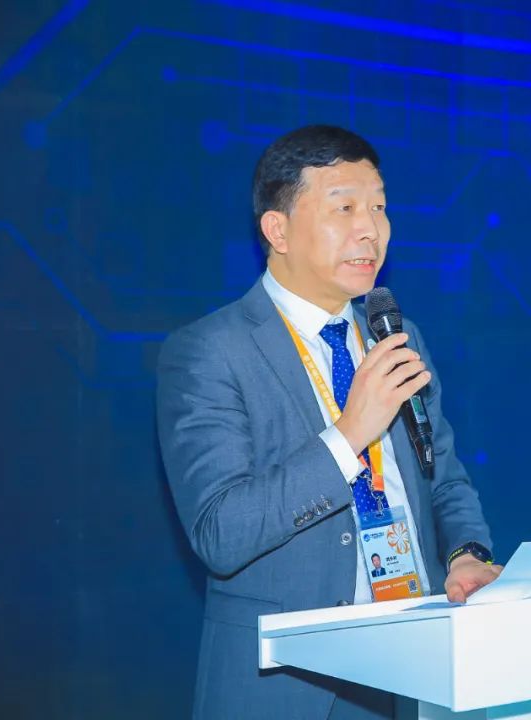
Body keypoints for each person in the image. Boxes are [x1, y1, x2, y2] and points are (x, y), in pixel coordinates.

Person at [157, 125, 501, 720]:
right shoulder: (210, 351)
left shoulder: (398, 338)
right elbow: (220, 532)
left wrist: (466, 553)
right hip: (284, 687)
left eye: (379, 208)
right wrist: (349, 436)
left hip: (407, 671)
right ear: (278, 230)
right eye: (344, 209)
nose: (371, 229)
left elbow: (443, 479)